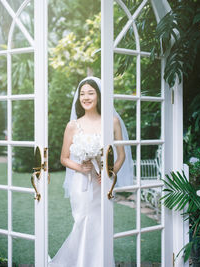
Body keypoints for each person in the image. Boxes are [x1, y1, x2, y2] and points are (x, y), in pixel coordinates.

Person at [48, 77, 133, 267]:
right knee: (82, 222)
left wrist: (109, 173)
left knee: (101, 225)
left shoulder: (112, 121)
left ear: (99, 96)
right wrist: (80, 167)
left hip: (102, 184)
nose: (86, 97)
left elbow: (122, 156)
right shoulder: (73, 125)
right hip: (81, 185)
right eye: (82, 94)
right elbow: (64, 158)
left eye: (90, 93)